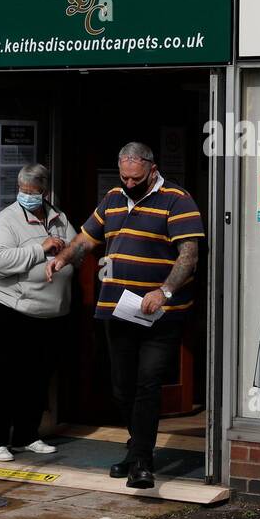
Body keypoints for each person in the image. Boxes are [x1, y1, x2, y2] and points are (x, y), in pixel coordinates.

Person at [46, 142, 204, 489]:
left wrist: (163, 291)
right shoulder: (114, 197)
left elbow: (189, 256)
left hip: (160, 313)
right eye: (124, 177)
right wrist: (62, 259)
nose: (129, 184)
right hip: (119, 310)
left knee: (148, 384)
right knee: (122, 388)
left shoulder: (178, 200)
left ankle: (143, 462)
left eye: (135, 178)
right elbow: (87, 239)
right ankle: (136, 449)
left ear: (152, 168)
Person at [0, 163, 77, 462]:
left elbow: (78, 248)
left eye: (33, 192)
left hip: (50, 312)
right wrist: (40, 249)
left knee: (38, 376)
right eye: (22, 191)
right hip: (10, 308)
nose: (27, 197)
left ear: (44, 192)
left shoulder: (59, 217)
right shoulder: (7, 219)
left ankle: (27, 434)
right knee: (6, 376)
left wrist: (65, 253)